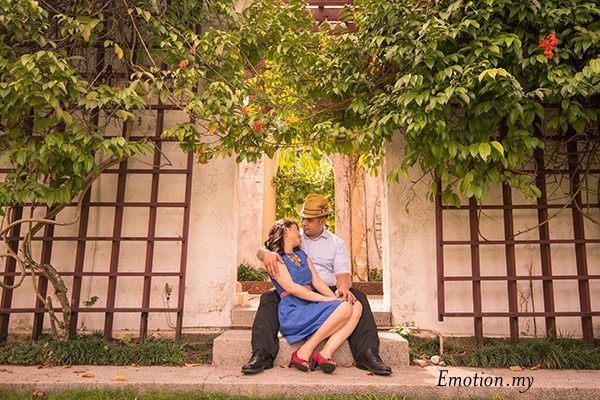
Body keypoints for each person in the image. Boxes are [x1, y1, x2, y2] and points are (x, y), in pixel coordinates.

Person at [241, 194, 392, 376]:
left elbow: (342, 274)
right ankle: (262, 352)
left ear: (323, 220)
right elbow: (272, 244)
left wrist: (342, 288)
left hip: (326, 287)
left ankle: (368, 353)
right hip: (294, 289)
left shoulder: (336, 243)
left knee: (357, 297)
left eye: (310, 220)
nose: (304, 223)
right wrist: (263, 253)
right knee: (268, 298)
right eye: (303, 218)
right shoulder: (296, 237)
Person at [261, 218, 362, 373]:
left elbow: (318, 282)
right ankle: (304, 351)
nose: (300, 233)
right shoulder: (276, 259)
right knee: (345, 307)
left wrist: (336, 297)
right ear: (286, 231)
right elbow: (292, 288)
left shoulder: (302, 255)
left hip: (309, 305)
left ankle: (325, 353)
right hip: (294, 309)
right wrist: (328, 300)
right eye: (296, 229)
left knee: (356, 305)